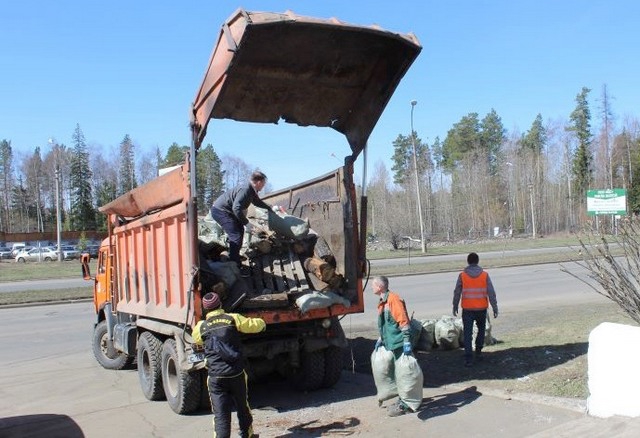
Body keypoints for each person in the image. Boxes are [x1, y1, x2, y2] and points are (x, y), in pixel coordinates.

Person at [192, 292, 266, 438]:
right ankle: (247, 434)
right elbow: (253, 326)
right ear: (220, 304)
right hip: (236, 374)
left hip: (216, 378)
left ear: (206, 309)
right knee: (242, 407)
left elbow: (197, 340)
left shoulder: (201, 327)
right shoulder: (232, 318)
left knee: (220, 415)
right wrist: (262, 324)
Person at [210, 170, 272, 269]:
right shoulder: (245, 189)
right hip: (220, 211)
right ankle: (234, 265)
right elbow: (236, 208)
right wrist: (246, 223)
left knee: (240, 230)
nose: (263, 186)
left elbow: (256, 202)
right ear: (259, 182)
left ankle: (234, 255)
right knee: (235, 235)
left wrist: (269, 208)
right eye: (263, 184)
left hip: (227, 212)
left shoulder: (251, 190)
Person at [372, 275, 414, 417]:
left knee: (403, 375)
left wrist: (407, 341)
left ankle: (405, 405)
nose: (372, 287)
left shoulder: (393, 300)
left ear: (380, 287)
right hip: (393, 342)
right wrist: (381, 338)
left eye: (373, 285)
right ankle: (404, 399)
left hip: (400, 342)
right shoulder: (383, 301)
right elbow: (386, 324)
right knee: (398, 373)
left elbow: (403, 321)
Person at [452, 252, 499, 367]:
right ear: (477, 261)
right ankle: (478, 352)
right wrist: (495, 307)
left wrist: (455, 305)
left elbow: (457, 292)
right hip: (481, 309)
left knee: (467, 334)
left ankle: (468, 358)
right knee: (481, 330)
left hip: (467, 309)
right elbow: (491, 293)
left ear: (468, 261)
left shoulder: (462, 275)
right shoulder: (484, 275)